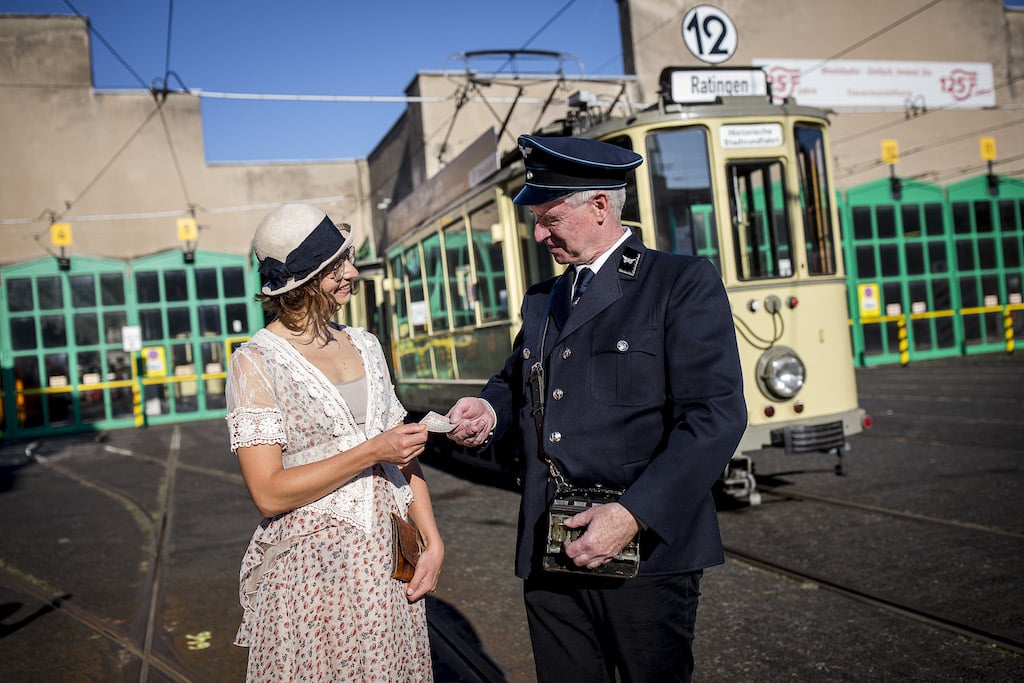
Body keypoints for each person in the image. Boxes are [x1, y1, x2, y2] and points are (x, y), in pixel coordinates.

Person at [447, 135, 746, 683]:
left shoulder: (678, 283)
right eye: (536, 219)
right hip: (551, 544)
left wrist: (631, 515)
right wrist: (489, 412)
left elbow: (715, 416)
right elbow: (517, 381)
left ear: (601, 207)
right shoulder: (544, 299)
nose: (539, 234)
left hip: (643, 552)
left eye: (550, 217)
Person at [225, 202, 442, 682]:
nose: (353, 272)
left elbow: (401, 453)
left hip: (387, 566)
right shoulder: (256, 363)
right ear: (302, 282)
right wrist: (371, 451)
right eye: (337, 265)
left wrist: (432, 538)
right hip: (313, 579)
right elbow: (268, 492)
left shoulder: (365, 344)